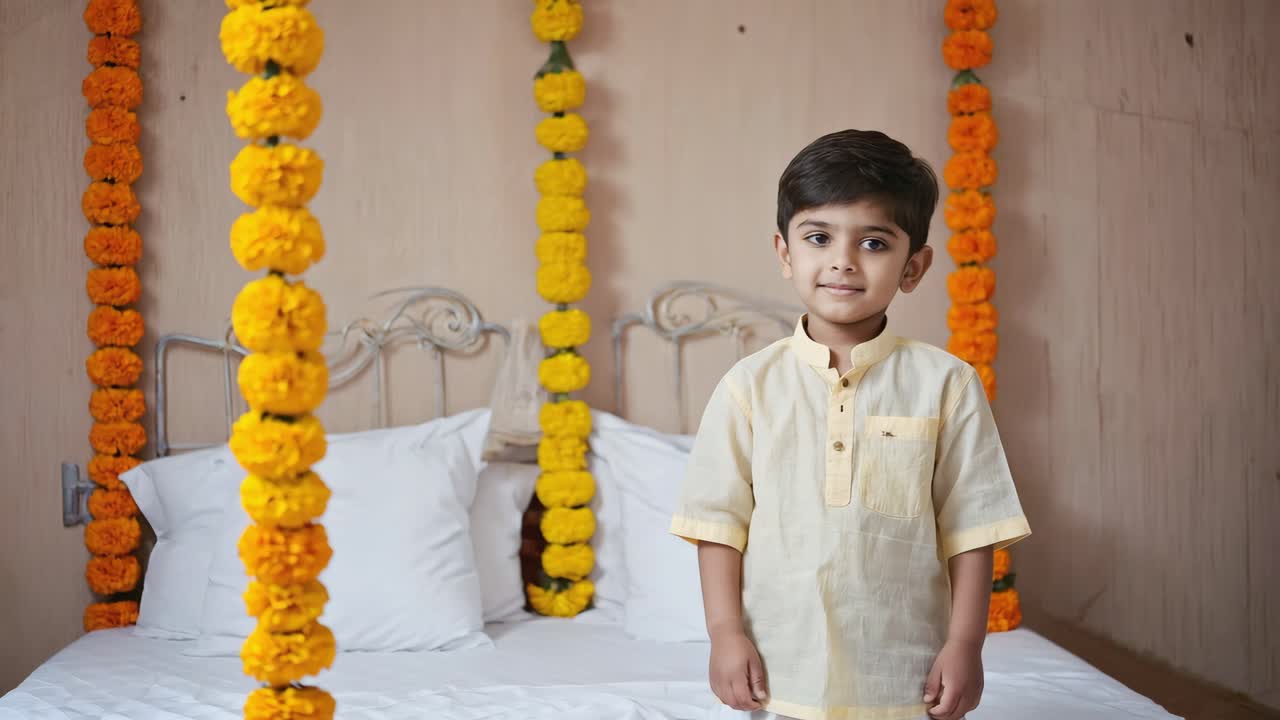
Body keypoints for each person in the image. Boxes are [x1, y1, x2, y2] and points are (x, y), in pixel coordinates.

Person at [670, 129, 1031, 720]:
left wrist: (966, 644)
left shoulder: (948, 385)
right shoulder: (748, 388)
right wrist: (723, 633)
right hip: (780, 669)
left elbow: (973, 529)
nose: (842, 259)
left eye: (873, 242)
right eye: (818, 237)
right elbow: (718, 525)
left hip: (904, 676)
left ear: (913, 267)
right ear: (786, 254)